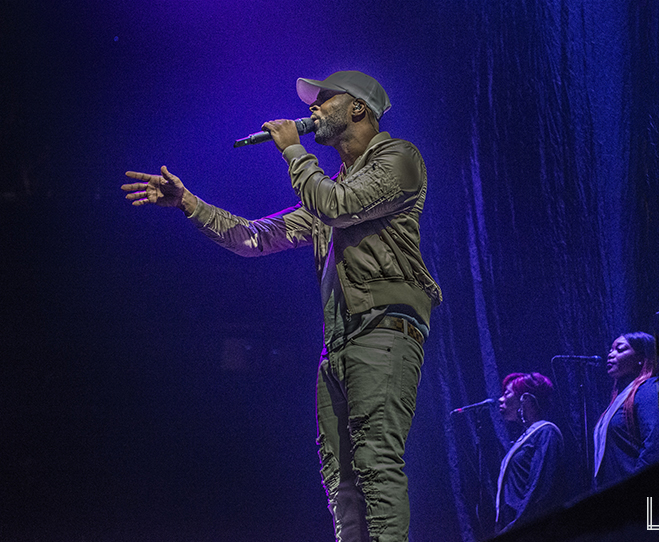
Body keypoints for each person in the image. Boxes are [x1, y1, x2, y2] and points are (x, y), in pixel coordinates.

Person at [121, 70, 442, 542]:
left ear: (357, 107)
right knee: (342, 479)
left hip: (384, 330)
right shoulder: (326, 189)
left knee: (375, 460)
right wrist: (188, 202)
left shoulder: (400, 159)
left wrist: (294, 150)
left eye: (323, 101)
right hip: (337, 345)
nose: (312, 110)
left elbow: (339, 205)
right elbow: (255, 237)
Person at [592, 332, 659, 489]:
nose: (611, 354)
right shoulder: (621, 397)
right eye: (611, 350)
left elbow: (655, 445)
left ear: (641, 358)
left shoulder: (650, 389)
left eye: (620, 349)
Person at [495, 372, 564, 533]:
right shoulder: (525, 438)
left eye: (507, 393)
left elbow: (540, 488)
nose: (501, 399)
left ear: (525, 399)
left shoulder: (546, 432)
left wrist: (519, 526)